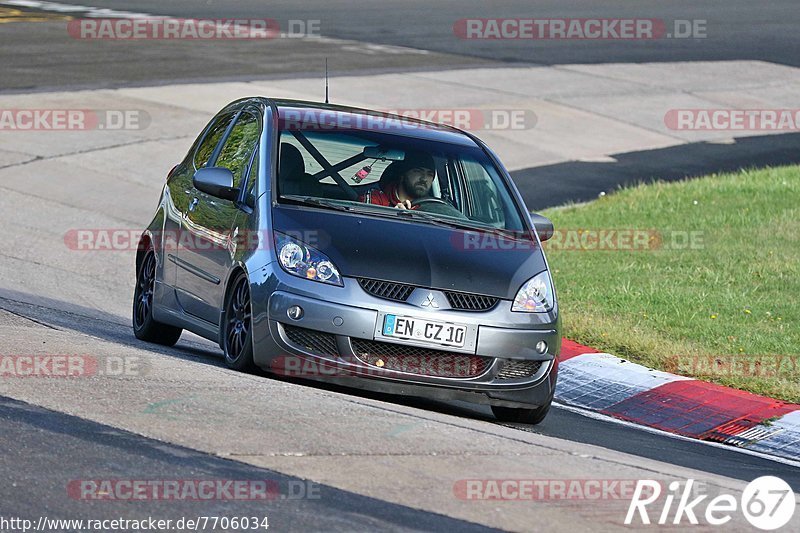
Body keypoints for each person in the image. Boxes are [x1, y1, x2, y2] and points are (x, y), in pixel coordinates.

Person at [359, 150, 435, 209]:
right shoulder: (376, 198)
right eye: (418, 171)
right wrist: (393, 216)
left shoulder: (433, 208)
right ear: (403, 175)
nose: (424, 178)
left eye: (430, 174)